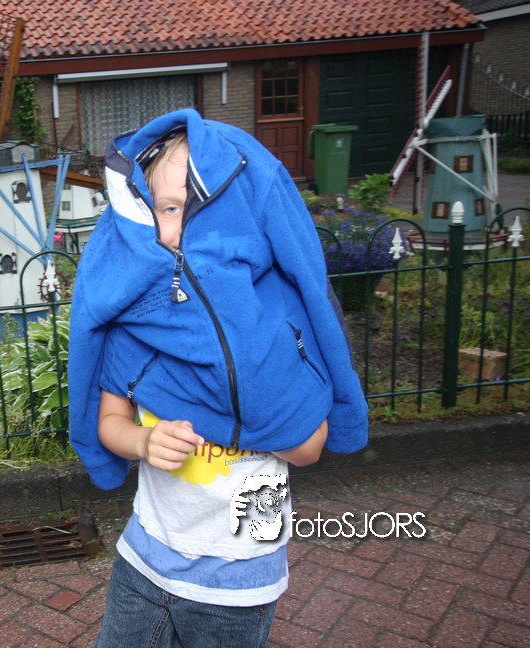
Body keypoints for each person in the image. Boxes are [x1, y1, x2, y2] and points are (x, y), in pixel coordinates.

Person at [67, 109, 368, 647]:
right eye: (168, 208)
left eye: (200, 208)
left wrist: (237, 411)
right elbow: (110, 419)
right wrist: (143, 441)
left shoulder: (278, 325)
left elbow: (308, 448)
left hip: (242, 576)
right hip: (146, 557)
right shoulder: (137, 325)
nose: (183, 226)